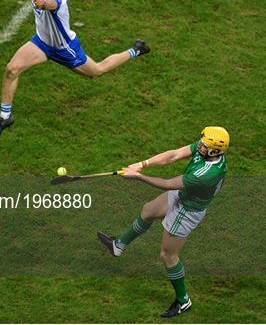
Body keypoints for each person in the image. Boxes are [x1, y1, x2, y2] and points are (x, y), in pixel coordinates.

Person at [0, 0, 150, 140]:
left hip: (65, 48)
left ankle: (136, 50)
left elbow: (50, 4)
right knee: (12, 69)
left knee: (96, 71)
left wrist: (42, 3)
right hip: (41, 43)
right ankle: (5, 117)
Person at [97, 126, 230, 317]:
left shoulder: (206, 174)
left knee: (168, 256)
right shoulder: (208, 150)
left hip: (187, 210)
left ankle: (183, 300)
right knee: (148, 210)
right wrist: (141, 164)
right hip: (184, 194)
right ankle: (118, 246)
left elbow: (168, 184)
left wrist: (138, 177)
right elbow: (174, 155)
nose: (199, 145)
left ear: (214, 151)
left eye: (203, 144)